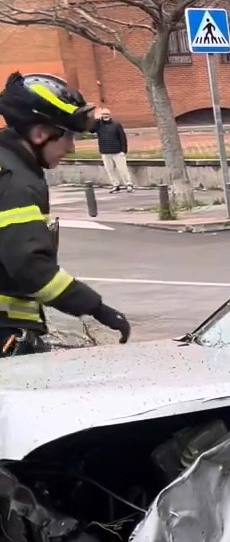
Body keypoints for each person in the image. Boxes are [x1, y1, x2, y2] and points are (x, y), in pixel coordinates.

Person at [0, 72, 130, 355]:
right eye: (67, 135)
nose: (71, 147)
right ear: (39, 134)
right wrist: (96, 307)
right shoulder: (17, 183)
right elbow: (31, 269)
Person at [93, 108, 133, 193]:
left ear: (109, 115)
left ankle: (128, 184)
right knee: (110, 170)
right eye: (103, 114)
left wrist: (123, 150)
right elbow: (91, 129)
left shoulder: (116, 125)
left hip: (117, 151)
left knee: (122, 169)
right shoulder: (99, 125)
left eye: (106, 114)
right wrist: (96, 119)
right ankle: (115, 185)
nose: (105, 116)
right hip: (105, 152)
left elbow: (122, 138)